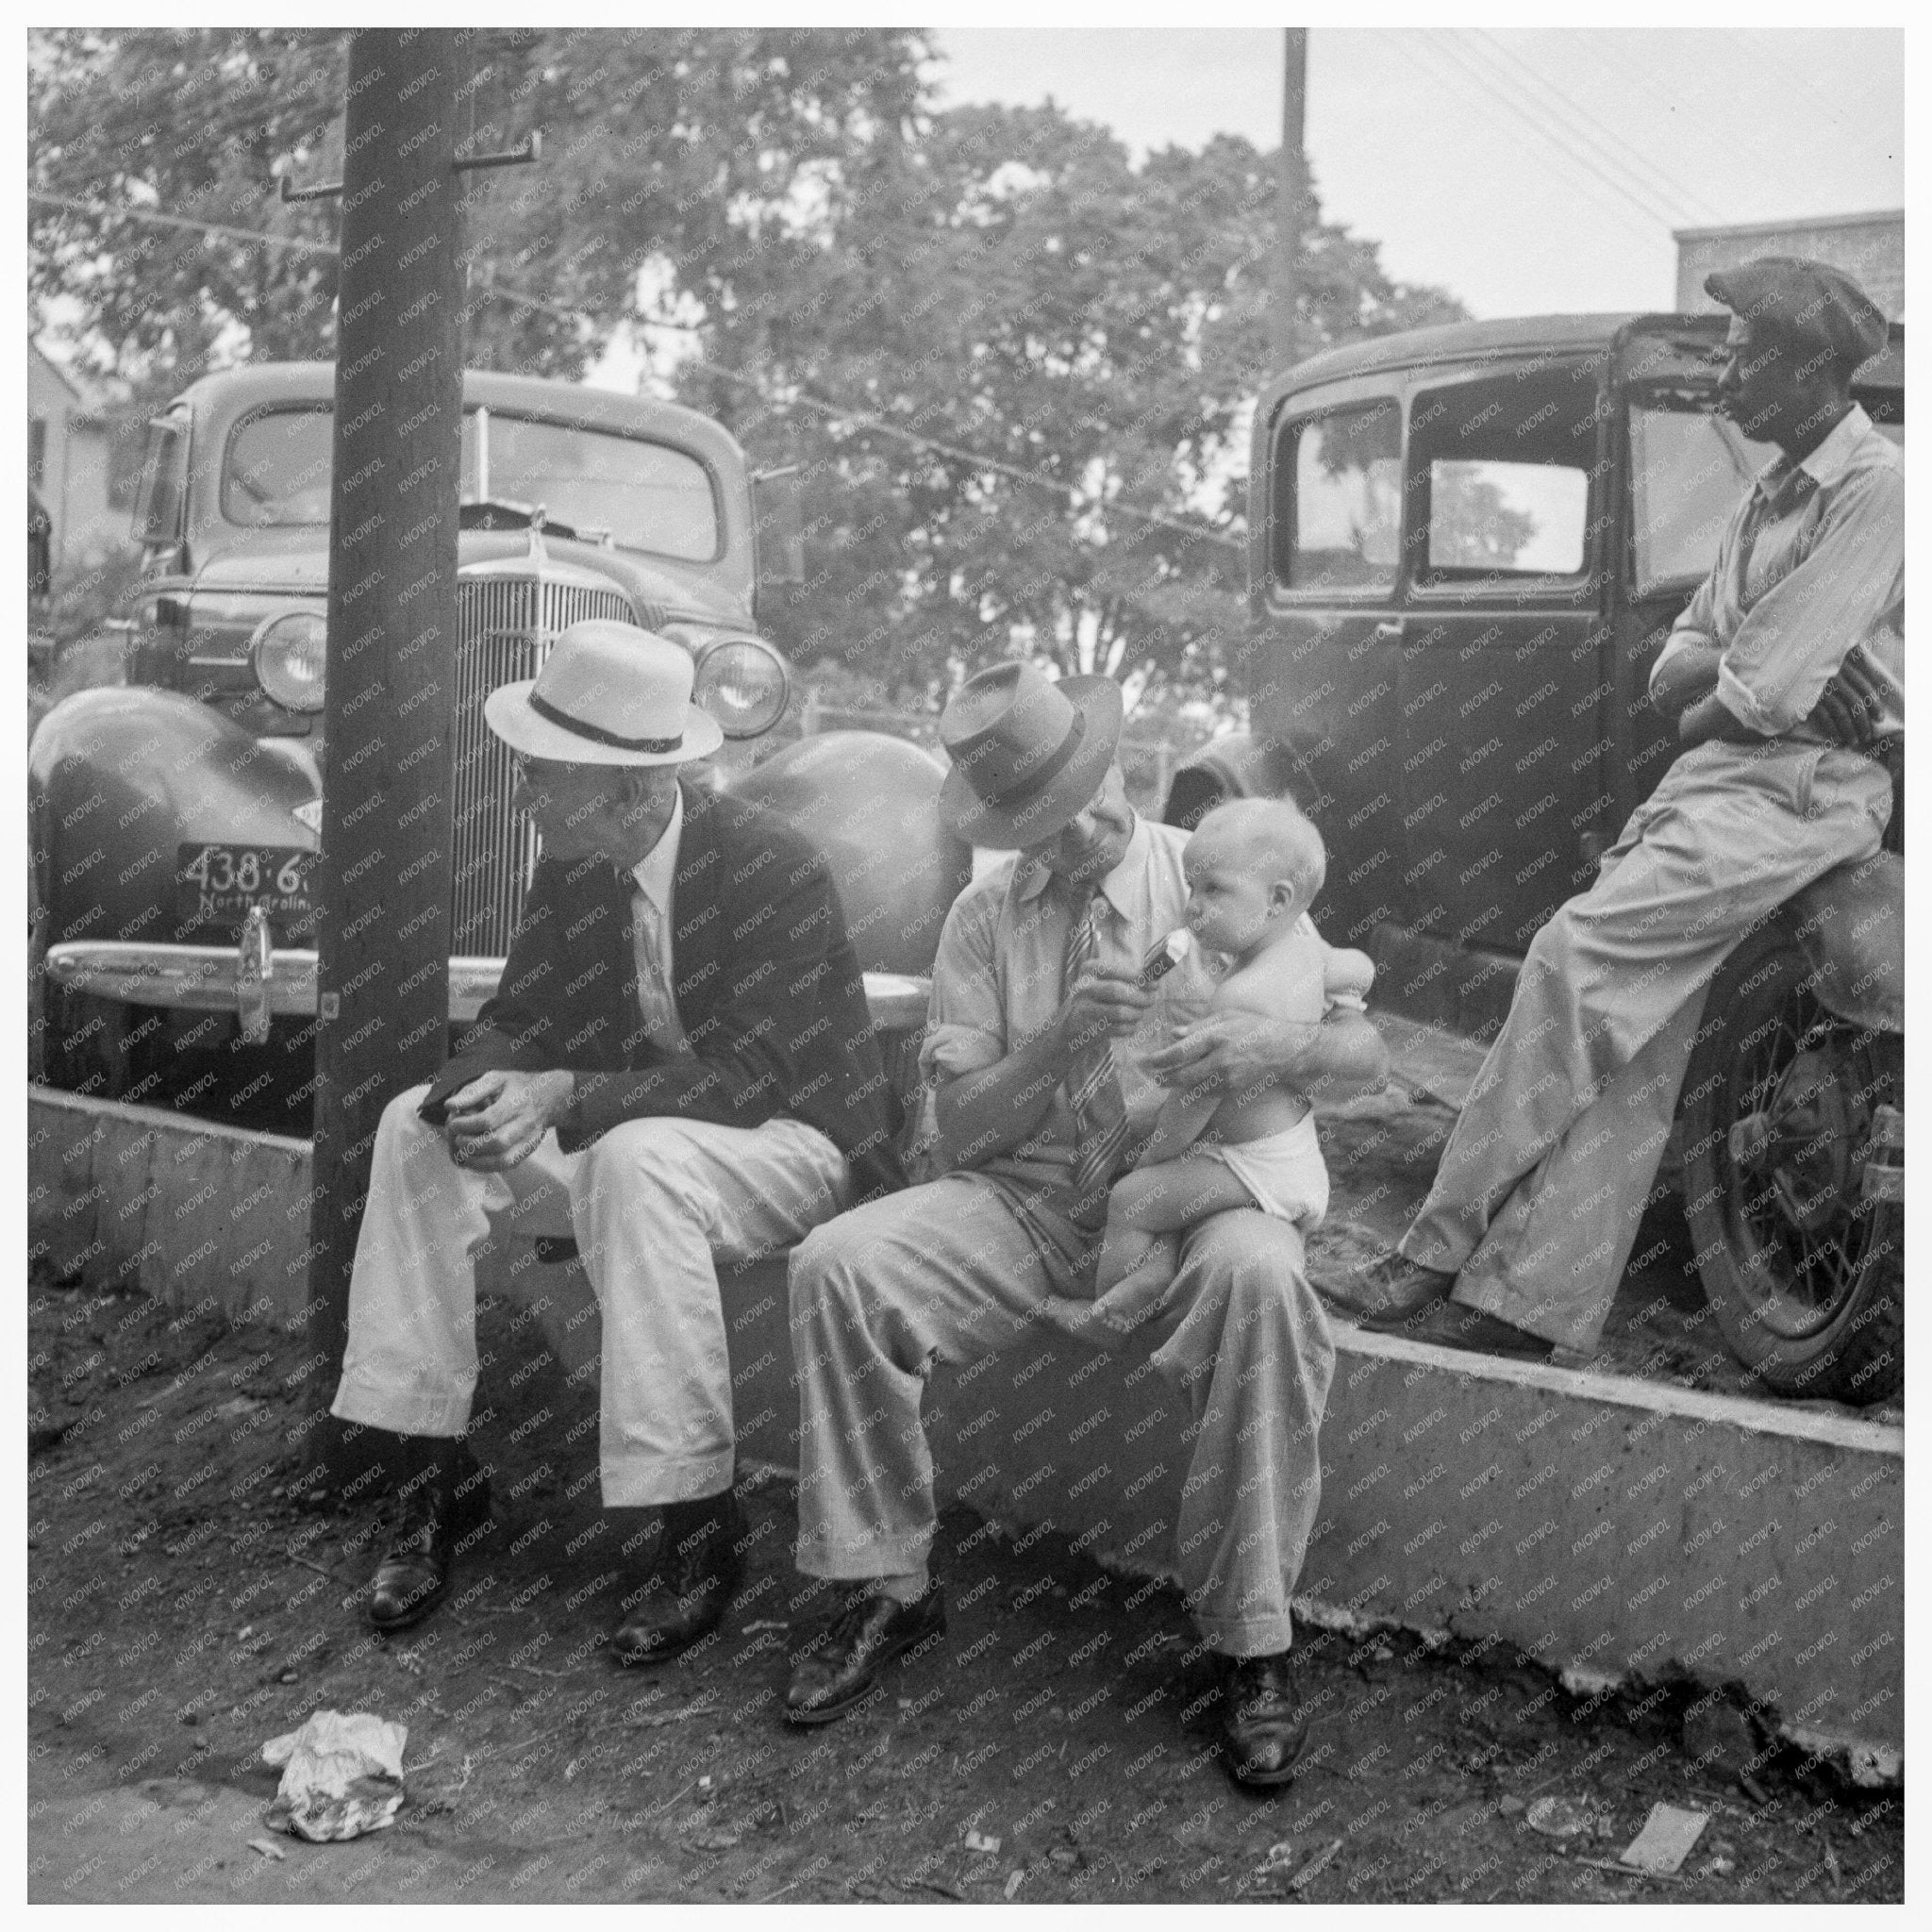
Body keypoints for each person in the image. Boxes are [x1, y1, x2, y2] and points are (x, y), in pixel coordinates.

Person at [782, 660, 1389, 1789]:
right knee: (839, 1261)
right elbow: (956, 1130)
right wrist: (1056, 1044)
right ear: (1010, 825)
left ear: (1115, 761)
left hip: (1190, 1188)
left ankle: (1250, 1638)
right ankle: (885, 1584)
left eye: (1093, 797)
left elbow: (1364, 1053)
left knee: (1264, 1281)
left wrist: (1279, 1049)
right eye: (1047, 825)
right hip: (1029, 1196)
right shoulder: (979, 918)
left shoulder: (1222, 870)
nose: (1082, 833)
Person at [1356, 256, 1901, 1362]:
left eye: (1748, 350)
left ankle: (1431, 1247)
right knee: (1639, 1026)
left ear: (1807, 368)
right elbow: (1680, 662)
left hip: (1802, 792)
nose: (1730, 368)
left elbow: (1762, 691)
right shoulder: (1766, 492)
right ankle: (1525, 1303)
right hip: (1727, 784)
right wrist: (1722, 691)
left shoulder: (1877, 488)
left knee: (1569, 955)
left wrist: (1722, 694)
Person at [328, 620, 901, 1664]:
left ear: (633, 790)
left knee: (641, 1162)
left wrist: (562, 1092)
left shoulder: (771, 866)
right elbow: (524, 1009)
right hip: (644, 1132)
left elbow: (744, 1076)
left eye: (548, 777)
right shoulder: (578, 861)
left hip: (792, 1144)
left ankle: (696, 1526)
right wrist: (479, 1088)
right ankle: (430, 1478)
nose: (527, 797)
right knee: (413, 1131)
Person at [1038, 797, 1374, 1344]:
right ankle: (1151, 1278)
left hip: (1255, 1168)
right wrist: (1345, 987)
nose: (1192, 907)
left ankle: (1106, 1317)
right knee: (1176, 1204)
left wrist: (1147, 1159)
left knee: (1136, 1199)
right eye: (1191, 888)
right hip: (1278, 1157)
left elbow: (1193, 1104)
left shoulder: (1242, 996)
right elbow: (1358, 967)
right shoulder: (1304, 950)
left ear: (1277, 900)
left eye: (1213, 890)